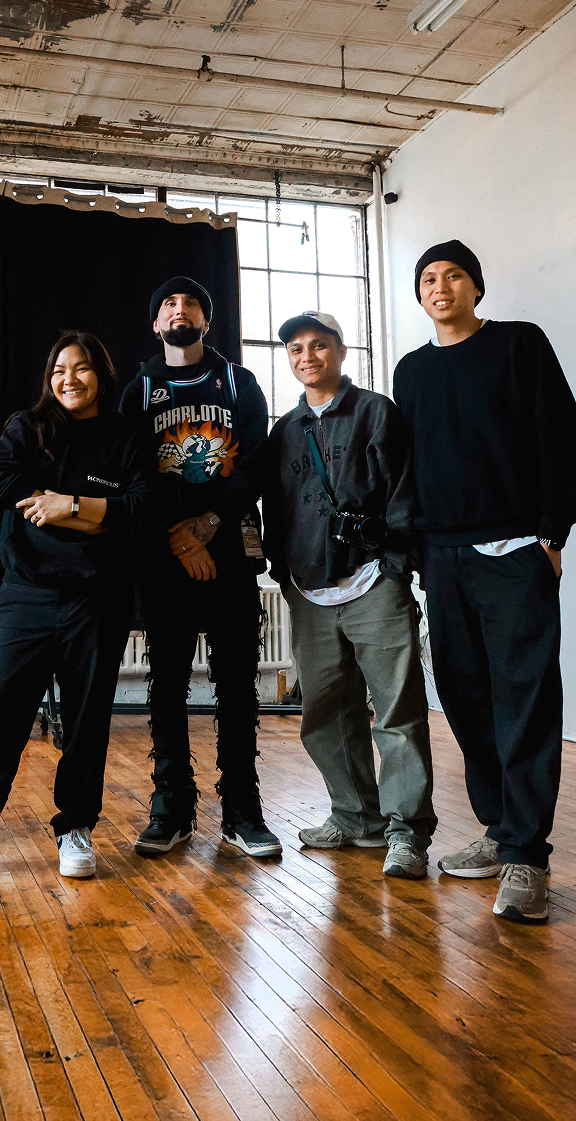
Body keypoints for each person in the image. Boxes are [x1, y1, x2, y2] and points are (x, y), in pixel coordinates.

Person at [0, 332, 151, 887]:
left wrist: (69, 505)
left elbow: (142, 508)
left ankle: (76, 828)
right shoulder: (27, 427)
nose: (70, 379)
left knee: (86, 720)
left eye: (82, 368)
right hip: (26, 594)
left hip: (98, 599)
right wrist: (92, 515)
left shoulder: (126, 437)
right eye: (59, 370)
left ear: (101, 375)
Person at [393, 240, 576, 922]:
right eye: (428, 279)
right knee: (465, 698)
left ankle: (528, 857)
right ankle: (501, 830)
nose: (440, 287)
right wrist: (418, 553)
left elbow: (561, 437)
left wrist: (552, 534)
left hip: (515, 552)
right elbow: (409, 465)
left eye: (454, 275)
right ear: (420, 295)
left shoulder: (520, 344)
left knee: (525, 700)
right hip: (443, 558)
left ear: (476, 287)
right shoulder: (411, 371)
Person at [266, 311, 436, 878]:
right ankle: (356, 816)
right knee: (325, 715)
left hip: (373, 583)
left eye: (319, 345)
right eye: (296, 348)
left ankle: (406, 833)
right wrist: (282, 570)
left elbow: (404, 490)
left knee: (396, 713)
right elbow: (275, 506)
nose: (307, 356)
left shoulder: (375, 412)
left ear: (340, 352)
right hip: (309, 590)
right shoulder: (284, 430)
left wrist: (395, 566)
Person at [120, 276, 278, 858]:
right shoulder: (138, 390)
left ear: (206, 322)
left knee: (237, 683)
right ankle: (172, 806)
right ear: (155, 323)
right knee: (167, 684)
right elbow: (132, 471)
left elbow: (256, 463)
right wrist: (180, 538)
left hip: (230, 550)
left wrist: (209, 524)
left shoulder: (238, 382)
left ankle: (241, 808)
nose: (179, 309)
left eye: (190, 303)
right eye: (168, 303)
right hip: (164, 555)